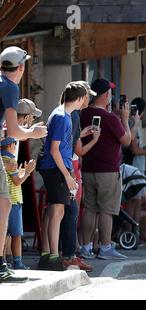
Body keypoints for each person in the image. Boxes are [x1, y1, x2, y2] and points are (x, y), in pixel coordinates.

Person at [0, 46, 47, 283]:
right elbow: (16, 130)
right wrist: (34, 132)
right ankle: (0, 265)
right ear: (21, 68)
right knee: (4, 203)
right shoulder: (9, 86)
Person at [79, 78, 131, 260]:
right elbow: (127, 141)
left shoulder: (82, 113)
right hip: (108, 171)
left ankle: (85, 247)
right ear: (106, 95)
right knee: (106, 210)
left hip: (88, 168)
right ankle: (105, 247)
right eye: (110, 92)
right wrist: (124, 119)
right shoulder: (111, 118)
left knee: (90, 209)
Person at [37, 82, 87, 271]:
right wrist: (67, 174)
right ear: (80, 98)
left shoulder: (63, 114)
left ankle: (46, 255)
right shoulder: (61, 116)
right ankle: (53, 257)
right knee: (58, 211)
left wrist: (69, 172)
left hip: (57, 167)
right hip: (54, 168)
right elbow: (54, 149)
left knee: (54, 211)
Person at [59, 80, 98, 272]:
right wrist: (94, 140)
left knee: (69, 212)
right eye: (88, 95)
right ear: (81, 97)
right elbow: (78, 150)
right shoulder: (72, 115)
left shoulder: (71, 114)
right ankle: (69, 255)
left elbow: (72, 140)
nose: (90, 98)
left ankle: (68, 253)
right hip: (71, 165)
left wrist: (82, 134)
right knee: (72, 212)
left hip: (69, 164)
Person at [1, 137, 35, 270]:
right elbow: (17, 181)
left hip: (5, 200)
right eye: (15, 144)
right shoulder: (10, 160)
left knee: (5, 233)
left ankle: (3, 261)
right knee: (16, 234)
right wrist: (27, 172)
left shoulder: (2, 160)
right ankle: (18, 262)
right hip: (14, 201)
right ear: (10, 145)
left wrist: (21, 173)